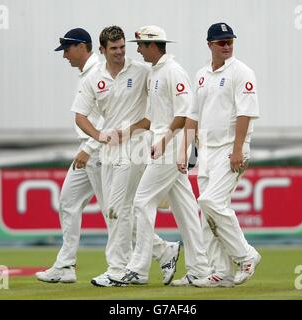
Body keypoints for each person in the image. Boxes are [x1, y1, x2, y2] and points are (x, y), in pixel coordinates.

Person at [71, 26, 180, 287]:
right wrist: (98, 136)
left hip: (136, 146)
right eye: (114, 49)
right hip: (108, 150)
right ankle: (163, 250)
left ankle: (118, 268)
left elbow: (154, 113)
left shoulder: (141, 71)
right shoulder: (92, 77)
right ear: (102, 50)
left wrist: (128, 131)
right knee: (116, 212)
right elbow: (80, 115)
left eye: (122, 47)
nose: (119, 53)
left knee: (118, 208)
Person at [109, 25, 210, 286]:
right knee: (185, 208)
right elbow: (155, 117)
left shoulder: (173, 71)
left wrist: (169, 143)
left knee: (142, 201)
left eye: (140, 45)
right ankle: (199, 270)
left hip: (171, 147)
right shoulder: (156, 72)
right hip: (163, 144)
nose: (138, 50)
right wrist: (129, 131)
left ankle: (139, 269)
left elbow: (186, 114)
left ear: (153, 46)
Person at [177, 22, 261, 287]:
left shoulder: (242, 72)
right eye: (221, 42)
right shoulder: (201, 74)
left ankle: (246, 255)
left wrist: (237, 150)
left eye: (230, 41)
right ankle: (221, 271)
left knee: (211, 202)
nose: (226, 46)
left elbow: (246, 113)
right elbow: (192, 116)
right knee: (208, 212)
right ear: (210, 45)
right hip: (206, 152)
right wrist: (185, 151)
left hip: (230, 149)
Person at [36, 28, 105, 283]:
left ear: (81, 47)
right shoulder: (88, 73)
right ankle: (65, 265)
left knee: (114, 212)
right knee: (68, 201)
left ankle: (162, 251)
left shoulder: (99, 73)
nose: (65, 56)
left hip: (99, 152)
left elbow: (110, 117)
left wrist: (89, 148)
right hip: (87, 151)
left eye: (67, 50)